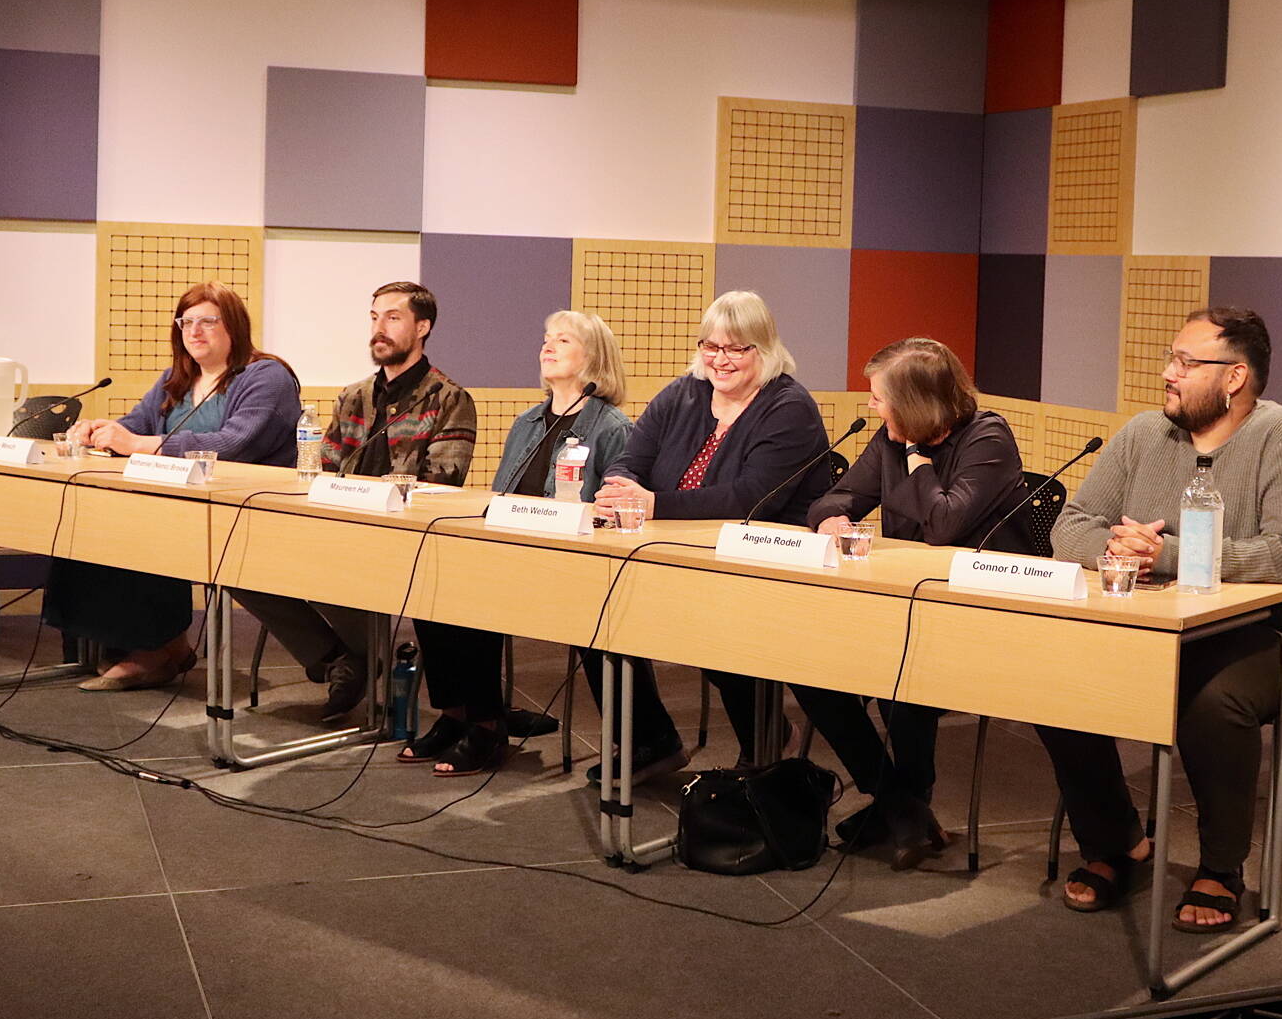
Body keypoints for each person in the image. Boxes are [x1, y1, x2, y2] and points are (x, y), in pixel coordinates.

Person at [1039, 306, 1282, 933]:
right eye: (1171, 359)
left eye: (1185, 362)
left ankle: (1221, 867)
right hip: (1154, 624)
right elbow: (1070, 525)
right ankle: (1119, 843)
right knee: (1058, 685)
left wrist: (1169, 554)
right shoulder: (1144, 434)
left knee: (1210, 699)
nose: (1167, 373)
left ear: (1233, 378)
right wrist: (1116, 551)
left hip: (1274, 633)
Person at [795, 337, 1035, 868]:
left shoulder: (987, 437)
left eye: (881, 398)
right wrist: (831, 518)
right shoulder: (887, 438)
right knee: (809, 668)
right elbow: (837, 497)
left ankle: (902, 808)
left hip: (981, 608)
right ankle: (901, 804)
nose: (873, 408)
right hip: (907, 603)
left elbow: (944, 524)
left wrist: (914, 456)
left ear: (914, 402)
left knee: (903, 680)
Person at [587, 290, 828, 781]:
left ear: (764, 348)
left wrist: (654, 504)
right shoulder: (683, 393)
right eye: (711, 346)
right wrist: (620, 488)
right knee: (597, 611)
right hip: (677, 551)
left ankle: (765, 740)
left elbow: (751, 498)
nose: (721, 360)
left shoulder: (789, 406)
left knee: (714, 629)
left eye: (737, 348)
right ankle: (651, 743)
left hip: (762, 562)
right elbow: (631, 459)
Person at [400, 311, 633, 775]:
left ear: (594, 359)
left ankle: (488, 727)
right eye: (546, 338)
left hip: (570, 566)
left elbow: (616, 513)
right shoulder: (527, 422)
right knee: (431, 584)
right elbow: (502, 498)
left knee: (473, 597)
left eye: (563, 340)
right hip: (511, 552)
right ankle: (456, 714)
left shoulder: (612, 427)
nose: (547, 347)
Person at [232, 281, 477, 720]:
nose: (379, 328)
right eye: (374, 317)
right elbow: (323, 468)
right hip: (338, 529)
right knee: (241, 565)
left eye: (393, 317)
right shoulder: (353, 396)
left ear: (422, 327)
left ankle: (361, 653)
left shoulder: (450, 399)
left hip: (402, 539)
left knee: (324, 567)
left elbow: (442, 483)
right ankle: (342, 657)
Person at [46, 281, 299, 690]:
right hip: (181, 502)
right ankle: (138, 644)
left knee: (144, 526)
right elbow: (137, 425)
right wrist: (103, 430)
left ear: (234, 325)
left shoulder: (265, 376)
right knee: (87, 513)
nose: (194, 331)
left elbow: (233, 444)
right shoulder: (177, 378)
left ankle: (153, 651)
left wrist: (139, 444)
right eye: (186, 322)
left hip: (242, 511)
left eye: (208, 321)